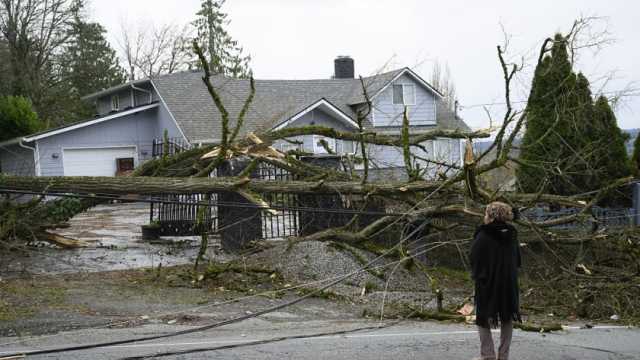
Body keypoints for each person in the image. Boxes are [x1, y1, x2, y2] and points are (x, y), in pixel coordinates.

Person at [470, 202, 522, 360]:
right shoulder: (512, 233)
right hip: (509, 283)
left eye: (486, 213)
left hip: (488, 283)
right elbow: (518, 260)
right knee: (507, 316)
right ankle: (503, 355)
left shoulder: (483, 234)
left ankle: (488, 355)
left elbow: (474, 258)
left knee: (483, 317)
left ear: (490, 215)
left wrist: (479, 277)